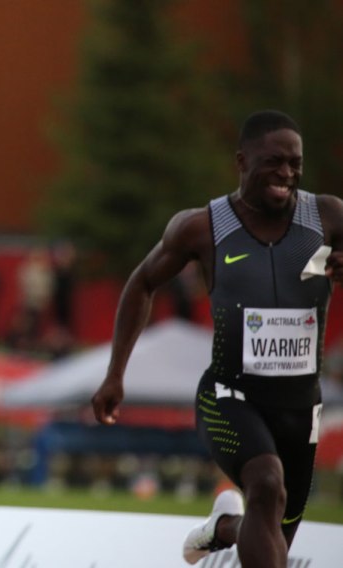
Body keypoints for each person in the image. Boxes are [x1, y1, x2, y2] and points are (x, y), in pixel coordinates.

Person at [91, 110, 337, 568]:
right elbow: (142, 283)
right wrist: (114, 374)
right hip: (229, 397)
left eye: (295, 163)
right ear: (242, 161)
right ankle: (233, 524)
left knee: (272, 526)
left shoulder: (326, 217)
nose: (286, 172)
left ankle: (224, 528)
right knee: (266, 484)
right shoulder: (202, 227)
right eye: (274, 161)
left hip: (301, 407)